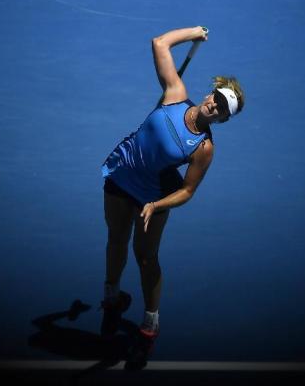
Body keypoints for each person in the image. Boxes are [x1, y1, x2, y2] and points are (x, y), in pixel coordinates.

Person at [99, 26, 245, 365]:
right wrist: (195, 31)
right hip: (121, 172)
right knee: (116, 239)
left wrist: (156, 204)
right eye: (216, 97)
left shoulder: (204, 148)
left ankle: (150, 324)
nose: (214, 104)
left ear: (223, 119)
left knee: (145, 257)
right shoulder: (175, 93)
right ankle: (110, 298)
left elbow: (187, 190)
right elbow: (159, 42)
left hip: (152, 194)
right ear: (210, 94)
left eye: (221, 107)